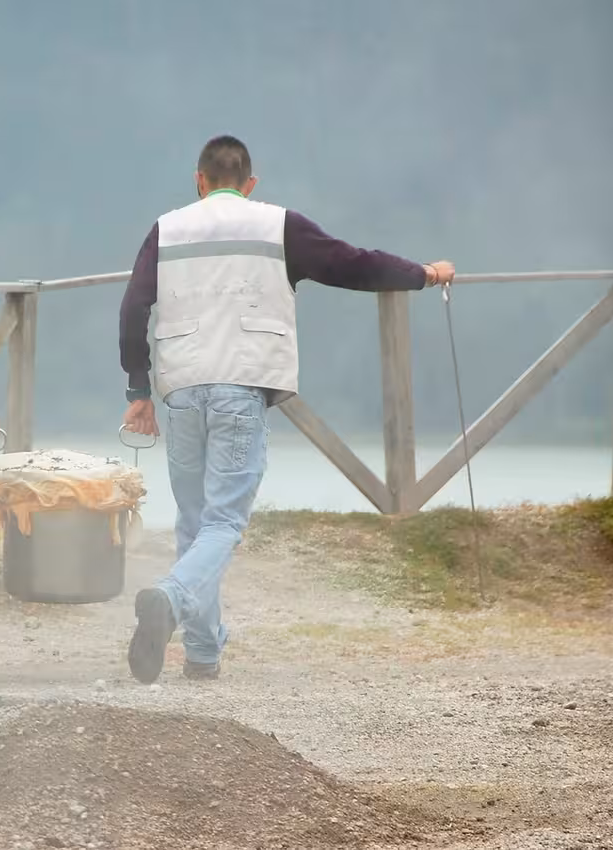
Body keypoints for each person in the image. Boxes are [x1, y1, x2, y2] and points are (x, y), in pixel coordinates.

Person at [118, 135, 454, 684]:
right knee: (224, 521)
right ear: (250, 185)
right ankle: (171, 600)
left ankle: (202, 655)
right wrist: (422, 274)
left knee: (195, 522)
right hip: (242, 385)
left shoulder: (167, 227)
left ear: (199, 181)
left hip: (179, 388)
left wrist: (138, 388)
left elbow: (135, 303)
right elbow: (354, 264)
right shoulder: (278, 226)